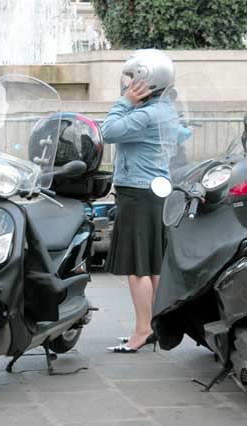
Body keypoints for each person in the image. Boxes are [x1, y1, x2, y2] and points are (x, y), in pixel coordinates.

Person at [103, 49, 191, 353]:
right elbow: (182, 135)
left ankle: (142, 329)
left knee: (138, 267)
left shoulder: (145, 113)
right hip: (155, 191)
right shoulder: (164, 109)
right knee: (151, 266)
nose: (127, 86)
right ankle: (153, 325)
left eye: (132, 80)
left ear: (146, 81)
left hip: (138, 193)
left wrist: (125, 103)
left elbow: (108, 132)